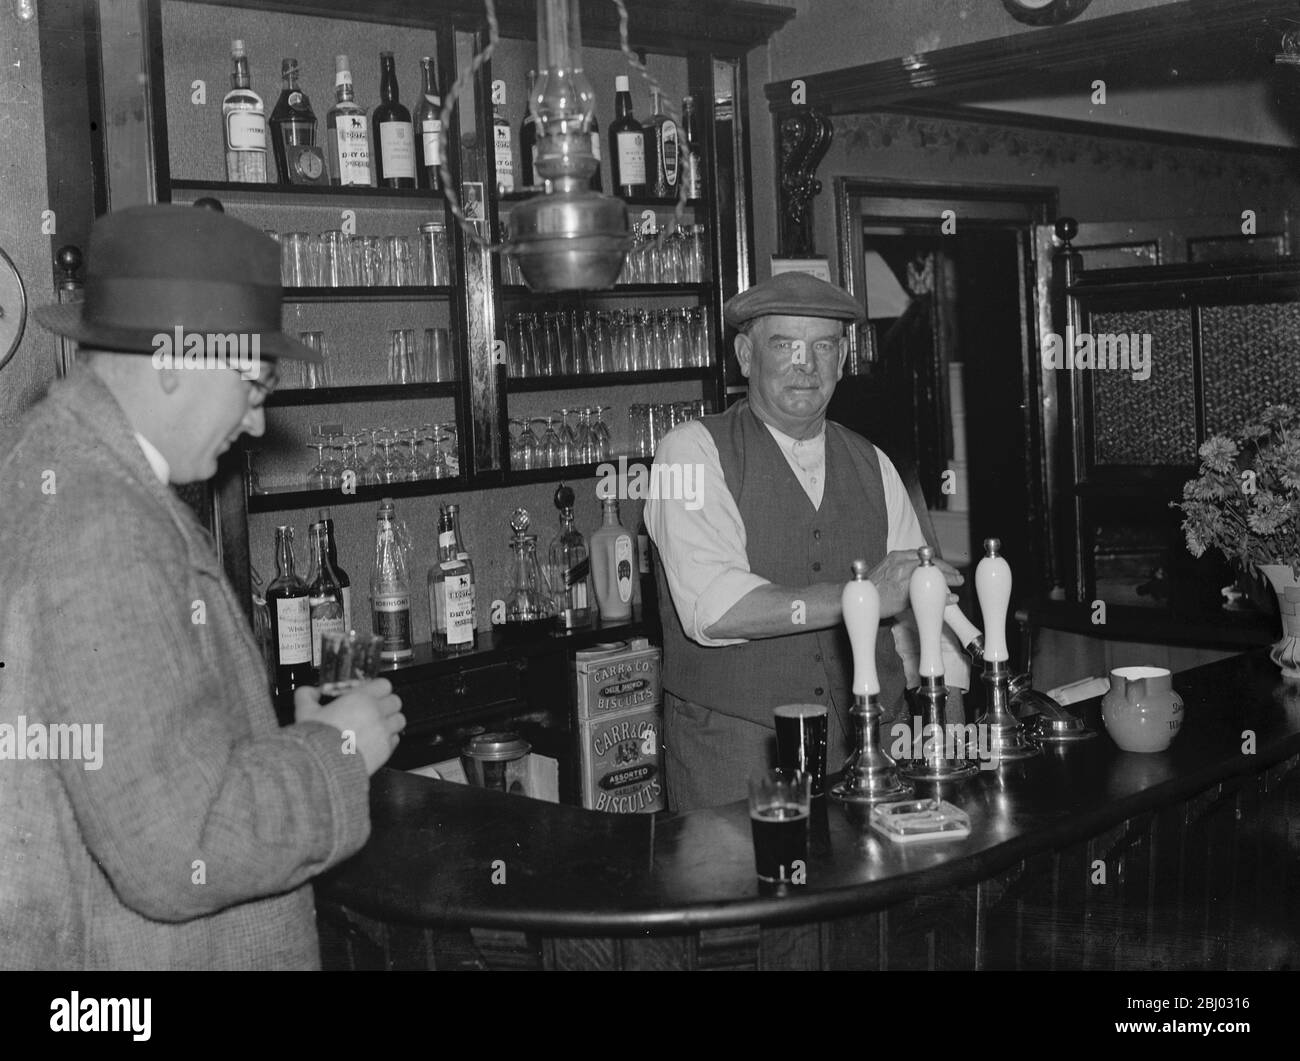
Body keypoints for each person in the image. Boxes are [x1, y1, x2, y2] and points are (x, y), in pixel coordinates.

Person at [0, 205, 405, 969]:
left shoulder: (51, 464)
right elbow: (177, 845)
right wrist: (338, 750)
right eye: (253, 383)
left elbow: (140, 763)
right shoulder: (102, 527)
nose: (256, 425)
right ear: (175, 360)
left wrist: (287, 746)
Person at [645, 271, 969, 812]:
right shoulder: (690, 452)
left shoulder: (873, 462)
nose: (806, 364)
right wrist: (863, 596)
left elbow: (923, 617)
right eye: (785, 345)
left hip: (874, 748)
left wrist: (949, 725)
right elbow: (716, 609)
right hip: (740, 757)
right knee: (752, 892)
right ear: (746, 356)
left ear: (842, 359)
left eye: (823, 346)